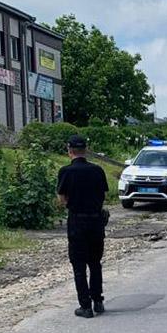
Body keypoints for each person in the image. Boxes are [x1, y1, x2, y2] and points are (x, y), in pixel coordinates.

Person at [57, 135, 109, 319]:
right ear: (85, 150)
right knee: (95, 262)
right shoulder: (98, 170)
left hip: (77, 221)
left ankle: (85, 306)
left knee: (79, 265)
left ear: (69, 150)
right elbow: (103, 195)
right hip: (96, 221)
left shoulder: (66, 171)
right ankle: (98, 301)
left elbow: (62, 199)